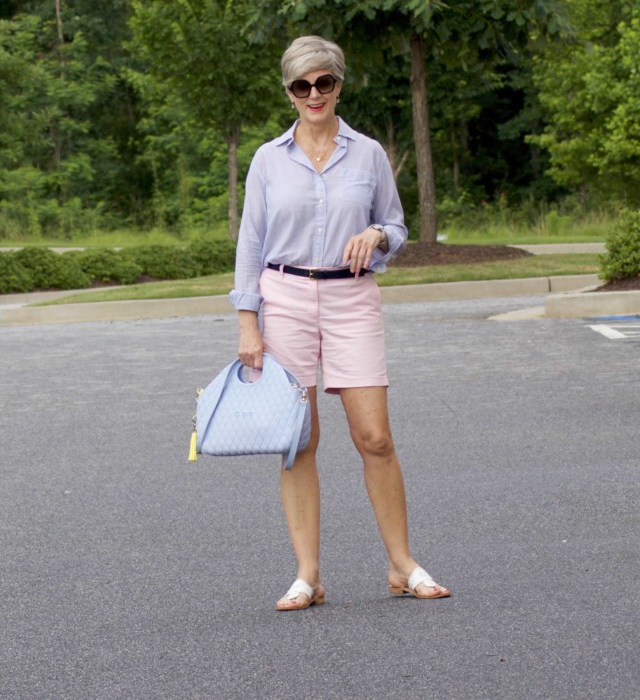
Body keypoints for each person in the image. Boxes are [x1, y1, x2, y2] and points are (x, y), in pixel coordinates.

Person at [229, 35, 451, 611]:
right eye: (302, 85)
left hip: (352, 298)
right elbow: (249, 244)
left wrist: (378, 235)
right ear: (288, 92)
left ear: (338, 84)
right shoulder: (267, 159)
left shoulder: (369, 153)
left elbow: (396, 225)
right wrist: (246, 322)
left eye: (323, 82)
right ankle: (308, 574)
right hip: (285, 299)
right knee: (299, 440)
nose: (314, 94)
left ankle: (402, 565)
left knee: (374, 436)